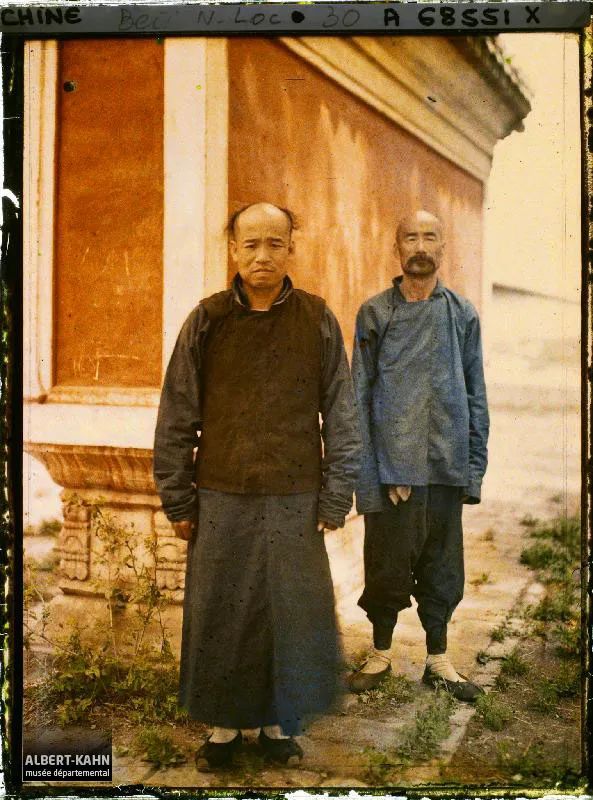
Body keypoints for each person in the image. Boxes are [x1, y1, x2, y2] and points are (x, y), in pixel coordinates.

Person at [153, 202, 361, 769]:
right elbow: (176, 414)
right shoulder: (207, 320)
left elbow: (342, 413)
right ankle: (222, 730)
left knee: (289, 614)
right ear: (233, 250)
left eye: (274, 243)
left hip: (296, 495)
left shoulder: (316, 319)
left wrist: (336, 493)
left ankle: (277, 726)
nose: (262, 255)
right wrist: (177, 496)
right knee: (223, 612)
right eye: (250, 244)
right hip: (221, 494)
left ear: (291, 248)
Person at [349, 209, 489, 702]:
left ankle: (438, 659)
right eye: (411, 237)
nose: (421, 247)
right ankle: (380, 653)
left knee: (443, 565)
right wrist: (376, 474)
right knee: (386, 564)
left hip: (446, 464)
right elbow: (360, 396)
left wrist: (473, 469)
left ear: (443, 248)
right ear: (397, 248)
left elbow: (475, 394)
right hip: (392, 472)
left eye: (430, 237)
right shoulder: (375, 314)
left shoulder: (462, 315)